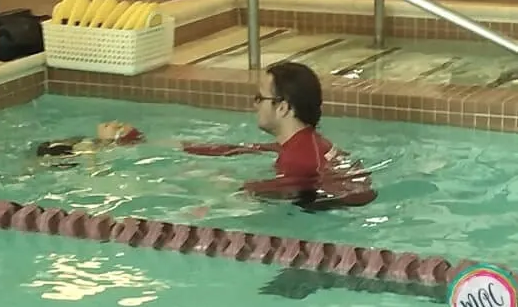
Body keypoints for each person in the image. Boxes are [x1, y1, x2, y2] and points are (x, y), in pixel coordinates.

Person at [182, 62, 377, 210]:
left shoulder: (299, 159)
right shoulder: (309, 143)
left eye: (260, 98)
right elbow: (248, 149)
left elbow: (280, 192)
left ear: (283, 108)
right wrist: (184, 147)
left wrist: (225, 187)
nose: (255, 104)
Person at [36, 121, 144, 168]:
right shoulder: (91, 141)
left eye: (118, 127)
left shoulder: (97, 147)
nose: (115, 122)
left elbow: (91, 162)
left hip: (62, 158)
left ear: (116, 136)